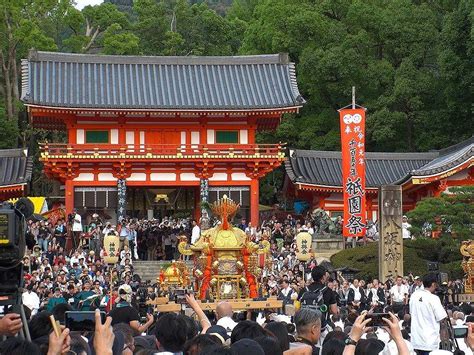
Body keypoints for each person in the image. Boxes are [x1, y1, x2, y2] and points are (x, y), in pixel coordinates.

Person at [297, 265, 338, 345]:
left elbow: (297, 309)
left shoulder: (304, 290)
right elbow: (334, 311)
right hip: (322, 327)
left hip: (305, 327)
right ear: (323, 277)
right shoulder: (328, 291)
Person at [409, 273, 448, 354]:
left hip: (416, 340)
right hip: (430, 341)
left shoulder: (414, 295)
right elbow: (442, 318)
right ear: (433, 284)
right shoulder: (433, 298)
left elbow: (411, 313)